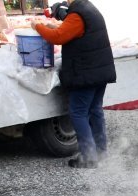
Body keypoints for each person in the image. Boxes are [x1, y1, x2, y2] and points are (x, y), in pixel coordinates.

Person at [34, 0, 116, 169]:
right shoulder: (89, 8)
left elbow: (57, 37)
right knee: (95, 110)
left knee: (78, 113)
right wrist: (52, 26)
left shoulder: (78, 14)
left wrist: (37, 26)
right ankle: (101, 152)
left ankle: (89, 157)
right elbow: (67, 32)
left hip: (86, 73)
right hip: (99, 71)